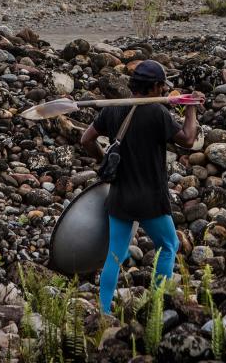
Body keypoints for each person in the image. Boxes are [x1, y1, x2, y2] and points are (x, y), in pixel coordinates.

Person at [80, 59, 199, 315]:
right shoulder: (157, 113)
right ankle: (156, 306)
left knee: (114, 255)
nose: (163, 91)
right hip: (150, 199)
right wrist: (191, 108)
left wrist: (105, 159)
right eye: (161, 87)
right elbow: (188, 139)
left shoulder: (113, 109)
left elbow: (86, 139)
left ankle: (104, 312)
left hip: (120, 196)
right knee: (168, 246)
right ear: (154, 86)